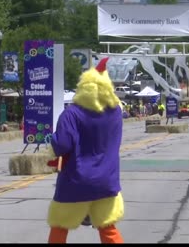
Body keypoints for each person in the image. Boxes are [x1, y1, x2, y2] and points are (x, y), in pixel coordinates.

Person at [45, 57, 124, 243]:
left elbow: (62, 144)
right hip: (107, 180)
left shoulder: (71, 114)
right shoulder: (116, 113)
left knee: (60, 225)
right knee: (107, 228)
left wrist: (53, 139)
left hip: (75, 180)